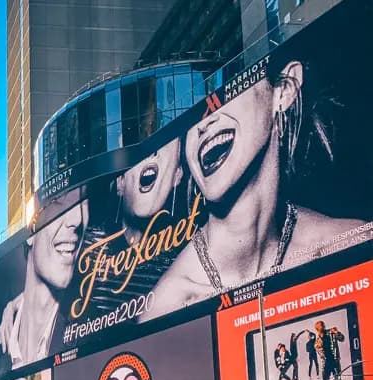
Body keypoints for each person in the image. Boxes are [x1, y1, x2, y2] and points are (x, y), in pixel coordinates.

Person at [148, 58, 365, 314]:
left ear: (283, 91)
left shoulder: (352, 245)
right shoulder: (167, 307)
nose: (202, 123)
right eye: (187, 114)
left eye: (221, 91)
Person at [0, 201, 89, 370]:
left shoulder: (87, 333)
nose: (78, 219)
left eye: (83, 202)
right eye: (60, 201)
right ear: (30, 233)